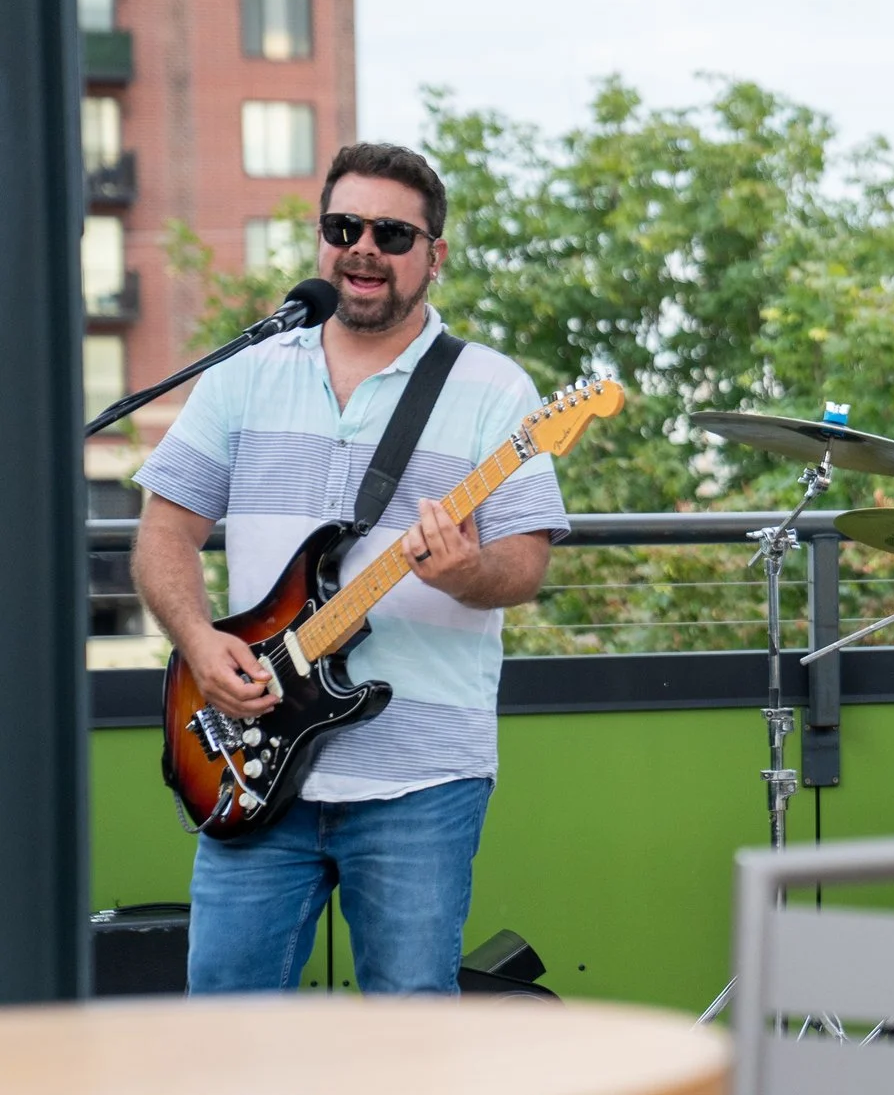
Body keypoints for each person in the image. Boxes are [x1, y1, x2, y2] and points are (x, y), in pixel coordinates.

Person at [133, 142, 568, 997]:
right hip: (245, 760)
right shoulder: (243, 376)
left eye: (393, 234)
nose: (364, 247)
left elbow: (524, 564)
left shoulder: (493, 390)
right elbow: (162, 534)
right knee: (223, 1025)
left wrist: (461, 571)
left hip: (421, 776)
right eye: (344, 226)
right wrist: (198, 642)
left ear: (434, 257)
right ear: (321, 241)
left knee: (406, 1039)